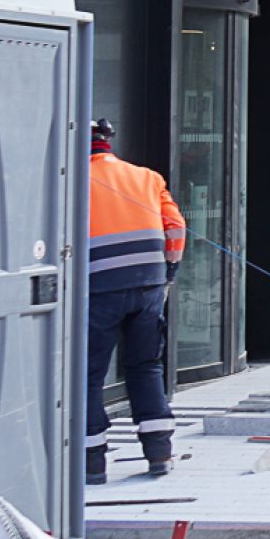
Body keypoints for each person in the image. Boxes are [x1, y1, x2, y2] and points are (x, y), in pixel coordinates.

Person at [86, 119, 186, 484]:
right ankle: (159, 453)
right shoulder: (146, 177)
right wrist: (168, 273)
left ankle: (92, 463)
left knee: (88, 374)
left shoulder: (70, 180)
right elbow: (176, 227)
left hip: (98, 289)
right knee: (146, 366)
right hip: (148, 287)